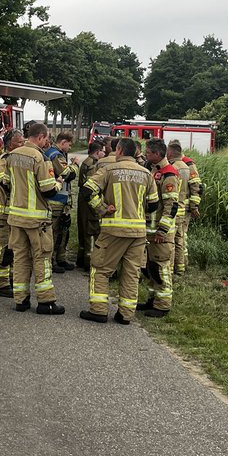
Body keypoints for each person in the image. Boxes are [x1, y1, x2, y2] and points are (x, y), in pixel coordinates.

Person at [79, 138, 158, 325]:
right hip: (138, 232)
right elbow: (154, 204)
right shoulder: (146, 173)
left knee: (101, 269)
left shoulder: (109, 170)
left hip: (113, 230)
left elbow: (87, 190)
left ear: (120, 150)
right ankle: (126, 314)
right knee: (131, 273)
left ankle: (98, 310)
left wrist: (101, 208)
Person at [5, 121, 66, 315]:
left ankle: (21, 300)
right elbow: (48, 190)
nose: (46, 142)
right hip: (37, 220)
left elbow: (6, 183)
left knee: (21, 258)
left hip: (16, 217)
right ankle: (46, 302)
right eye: (46, 139)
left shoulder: (12, 155)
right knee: (42, 258)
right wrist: (58, 183)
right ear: (40, 137)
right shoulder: (40, 158)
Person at [140, 138, 181, 318]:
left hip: (160, 233)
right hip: (150, 230)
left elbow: (171, 206)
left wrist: (162, 231)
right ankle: (152, 299)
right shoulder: (153, 170)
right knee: (151, 268)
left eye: (148, 153)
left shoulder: (168, 174)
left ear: (158, 154)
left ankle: (162, 305)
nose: (146, 156)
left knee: (161, 267)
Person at [0, 128, 24, 296]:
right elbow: (3, 181)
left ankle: (10, 278)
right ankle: (0, 284)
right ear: (10, 144)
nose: (23, 144)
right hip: (3, 213)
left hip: (14, 214)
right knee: (2, 249)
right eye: (19, 142)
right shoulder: (4, 160)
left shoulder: (17, 160)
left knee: (13, 249)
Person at [166, 141, 201, 277]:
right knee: (180, 239)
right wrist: (193, 206)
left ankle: (170, 270)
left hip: (175, 209)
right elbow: (195, 186)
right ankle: (180, 268)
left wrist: (194, 206)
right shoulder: (186, 167)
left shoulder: (174, 167)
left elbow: (195, 186)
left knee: (171, 241)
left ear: (170, 152)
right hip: (183, 209)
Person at [44, 131, 78, 272]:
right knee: (54, 232)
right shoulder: (54, 155)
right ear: (63, 142)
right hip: (55, 201)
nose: (69, 148)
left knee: (64, 231)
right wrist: (75, 165)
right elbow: (67, 174)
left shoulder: (59, 154)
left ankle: (61, 258)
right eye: (69, 145)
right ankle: (51, 261)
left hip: (62, 201)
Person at [75, 139, 107, 272]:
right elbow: (91, 187)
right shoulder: (92, 165)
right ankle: (89, 262)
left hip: (84, 202)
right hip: (88, 203)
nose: (104, 155)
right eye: (103, 152)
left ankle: (82, 259)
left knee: (84, 230)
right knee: (91, 231)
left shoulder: (87, 162)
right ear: (98, 152)